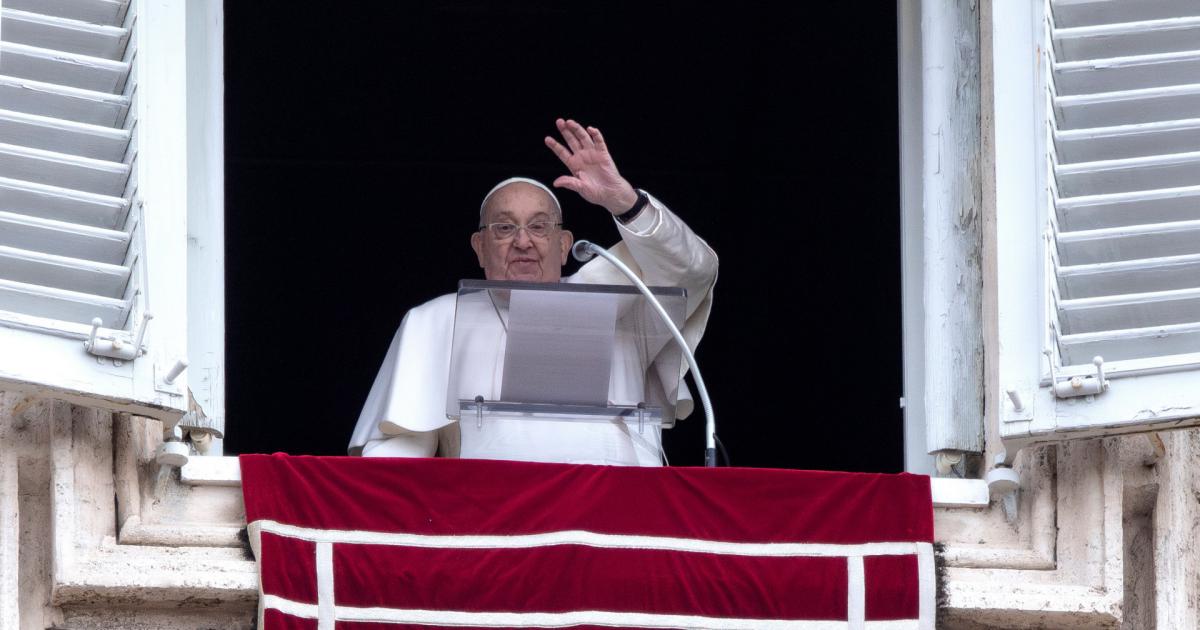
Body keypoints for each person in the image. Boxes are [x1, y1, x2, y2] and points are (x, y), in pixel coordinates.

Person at [347, 118, 717, 465]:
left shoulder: (619, 305)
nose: (523, 241)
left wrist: (625, 203)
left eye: (539, 227)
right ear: (479, 247)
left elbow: (694, 269)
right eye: (504, 228)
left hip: (621, 517)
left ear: (563, 245)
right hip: (497, 521)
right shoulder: (436, 319)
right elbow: (399, 451)